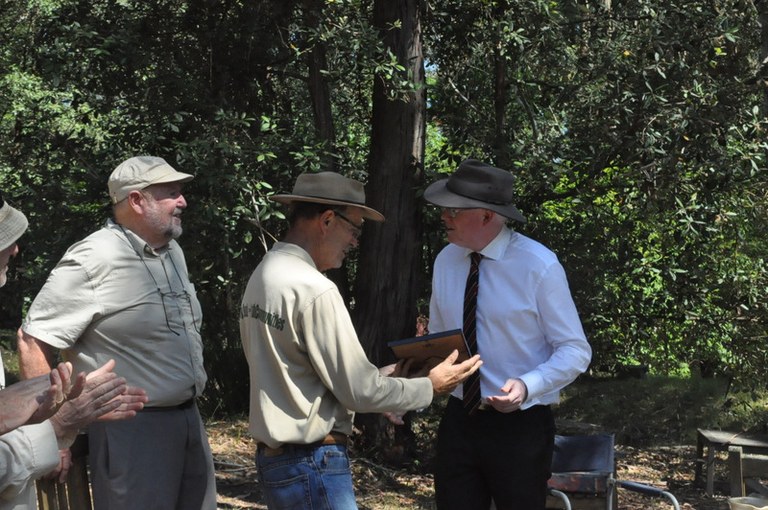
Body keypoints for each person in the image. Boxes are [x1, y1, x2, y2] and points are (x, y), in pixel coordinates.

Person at [239, 171, 483, 509]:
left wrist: (382, 378)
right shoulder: (314, 289)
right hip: (312, 462)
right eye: (354, 230)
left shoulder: (266, 274)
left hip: (278, 463)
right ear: (326, 220)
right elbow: (359, 391)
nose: (355, 242)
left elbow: (298, 374)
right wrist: (430, 385)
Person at [16, 156, 216, 510]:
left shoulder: (172, 252)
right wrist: (51, 433)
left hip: (189, 421)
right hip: (131, 432)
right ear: (137, 201)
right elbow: (34, 339)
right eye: (171, 193)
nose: (182, 201)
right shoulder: (93, 258)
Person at [423, 159, 592, 510]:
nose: (444, 217)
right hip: (460, 418)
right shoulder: (445, 261)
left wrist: (528, 384)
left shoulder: (539, 266)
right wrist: (407, 381)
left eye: (454, 210)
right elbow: (441, 340)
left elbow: (575, 350)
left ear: (487, 216)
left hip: (520, 426)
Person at [0, 195, 147, 510]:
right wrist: (55, 428)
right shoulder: (93, 257)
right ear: (136, 200)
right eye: (6, 240)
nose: (15, 249)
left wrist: (40, 408)